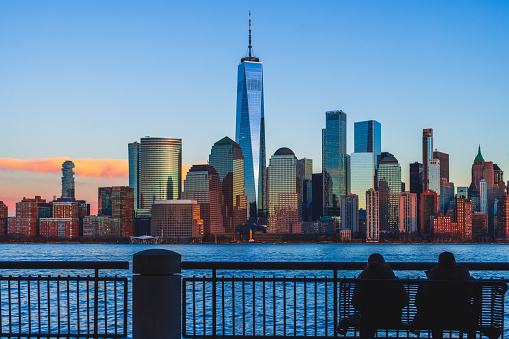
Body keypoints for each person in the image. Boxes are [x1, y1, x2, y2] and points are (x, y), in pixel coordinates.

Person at [338, 253, 408, 338]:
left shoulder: (363, 279)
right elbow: (404, 301)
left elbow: (355, 302)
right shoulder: (391, 278)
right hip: (391, 318)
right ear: (384, 263)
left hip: (368, 319)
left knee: (366, 319)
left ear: (368, 264)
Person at [414, 252, 475, 339]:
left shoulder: (432, 279)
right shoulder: (465, 277)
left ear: (439, 263)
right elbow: (472, 294)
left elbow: (418, 302)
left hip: (434, 319)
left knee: (436, 312)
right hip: (462, 318)